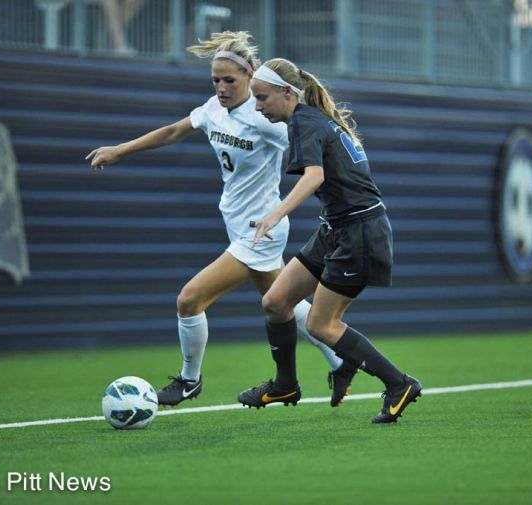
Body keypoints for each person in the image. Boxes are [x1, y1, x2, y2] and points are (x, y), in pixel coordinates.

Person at [85, 32, 358, 408]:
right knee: (283, 303)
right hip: (239, 224)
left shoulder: (266, 119)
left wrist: (345, 179)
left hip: (260, 230)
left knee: (189, 299)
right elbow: (173, 131)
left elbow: (316, 149)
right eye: (216, 80)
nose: (222, 87)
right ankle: (341, 359)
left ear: (250, 78)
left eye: (230, 80)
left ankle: (188, 380)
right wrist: (120, 150)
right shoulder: (213, 109)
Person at [237, 58, 422, 423]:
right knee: (275, 301)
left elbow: (313, 177)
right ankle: (286, 384)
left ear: (287, 93)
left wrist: (276, 213)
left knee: (322, 325)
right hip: (336, 229)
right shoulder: (311, 119)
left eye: (262, 98)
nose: (257, 106)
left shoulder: (305, 121)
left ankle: (399, 383)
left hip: (360, 233)